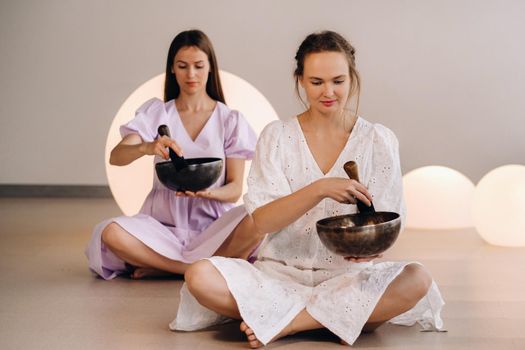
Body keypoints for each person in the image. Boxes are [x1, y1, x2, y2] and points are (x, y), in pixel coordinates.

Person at [172, 31, 445, 347]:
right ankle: (338, 319)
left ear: (352, 79)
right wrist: (319, 189)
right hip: (278, 278)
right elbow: (262, 222)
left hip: (347, 281)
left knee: (417, 278)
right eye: (317, 82)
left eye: (338, 81)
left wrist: (372, 247)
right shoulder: (276, 137)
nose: (328, 91)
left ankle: (289, 322)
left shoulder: (378, 140)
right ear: (300, 80)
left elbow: (388, 219)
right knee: (199, 276)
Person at [85, 29, 260, 280]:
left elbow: (234, 188)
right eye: (182, 66)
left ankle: (164, 267)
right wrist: (147, 147)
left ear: (210, 68)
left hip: (213, 229)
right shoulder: (157, 113)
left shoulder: (230, 120)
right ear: (172, 69)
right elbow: (117, 156)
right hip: (160, 228)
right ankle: (191, 269)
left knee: (258, 216)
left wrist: (208, 193)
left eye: (199, 66)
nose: (191, 74)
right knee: (109, 232)